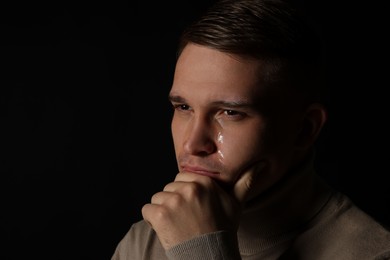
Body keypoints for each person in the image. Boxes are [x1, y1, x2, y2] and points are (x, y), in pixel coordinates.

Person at [111, 0, 390, 259]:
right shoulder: (145, 242)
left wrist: (202, 252)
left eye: (231, 113)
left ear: (305, 129)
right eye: (184, 108)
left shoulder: (372, 253)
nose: (193, 143)